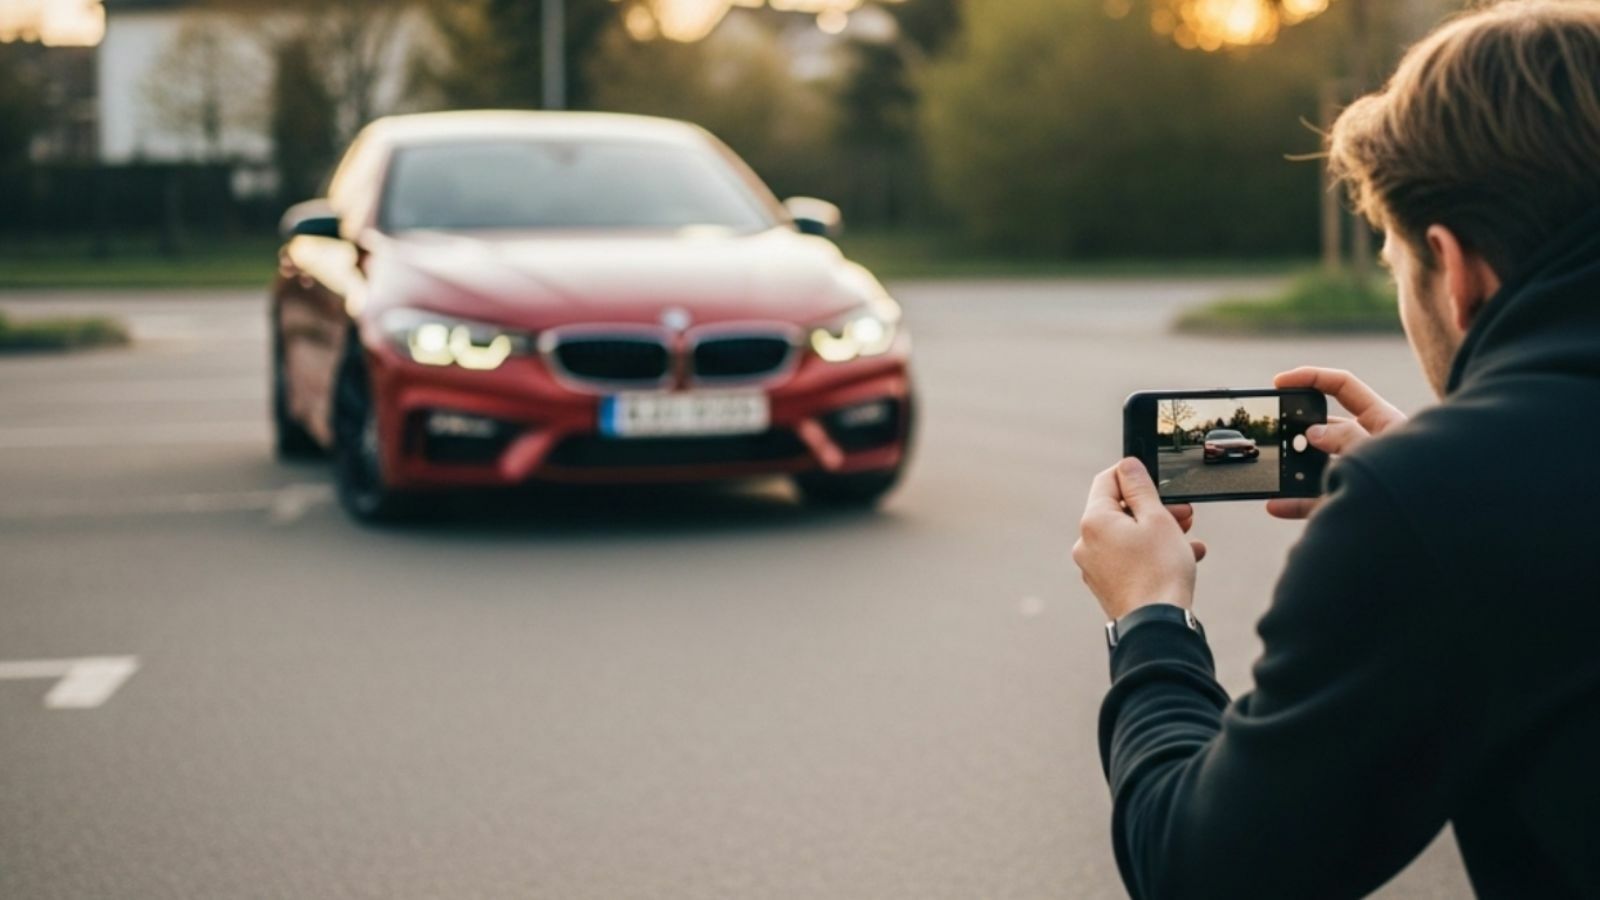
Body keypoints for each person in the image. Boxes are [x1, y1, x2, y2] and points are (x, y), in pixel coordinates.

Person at [1071, 2, 1600, 897]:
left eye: (1397, 263)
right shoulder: (1452, 495)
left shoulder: (1436, 505)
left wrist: (1148, 618)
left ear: (1456, 269)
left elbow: (1202, 871)